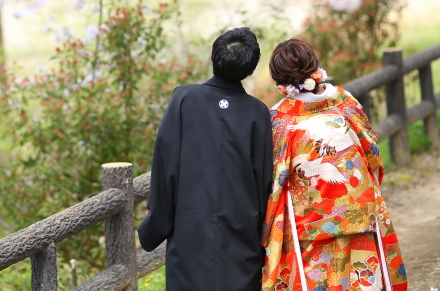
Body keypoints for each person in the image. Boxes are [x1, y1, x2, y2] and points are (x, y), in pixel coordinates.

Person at [262, 39, 408, 291]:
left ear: (280, 81)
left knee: (320, 281)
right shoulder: (344, 101)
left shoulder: (280, 119)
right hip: (359, 208)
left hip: (310, 220)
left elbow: (275, 179)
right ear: (315, 68)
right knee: (363, 278)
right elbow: (372, 151)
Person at [138, 27, 273, 291]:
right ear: (250, 71)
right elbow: (264, 182)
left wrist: (157, 224)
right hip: (241, 236)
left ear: (212, 58)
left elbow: (167, 167)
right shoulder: (258, 113)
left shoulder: (184, 98)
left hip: (190, 231)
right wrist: (261, 238)